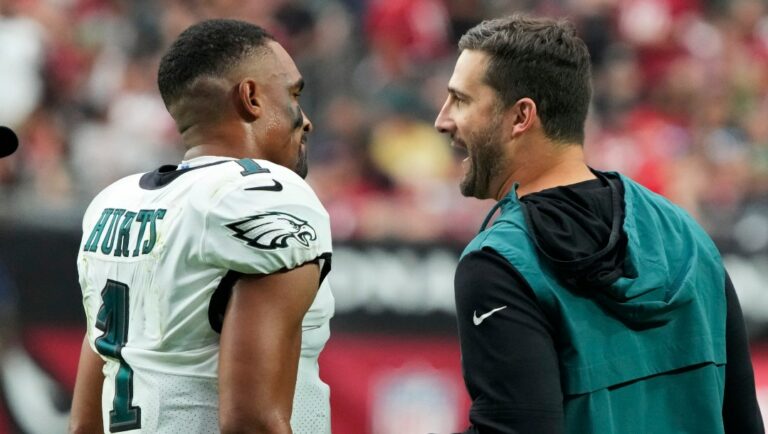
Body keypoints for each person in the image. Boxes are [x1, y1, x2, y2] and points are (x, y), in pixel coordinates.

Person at [434, 14, 764, 434]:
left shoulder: (499, 265)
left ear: (521, 117)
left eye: (460, 100)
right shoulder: (686, 234)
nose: (442, 119)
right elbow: (744, 422)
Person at [69, 19, 333, 434]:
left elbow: (85, 423)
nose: (307, 119)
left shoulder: (113, 202)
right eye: (294, 94)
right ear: (251, 97)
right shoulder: (266, 195)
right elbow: (252, 422)